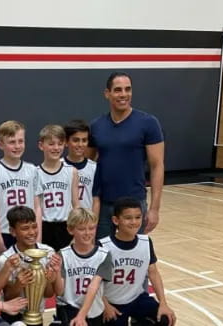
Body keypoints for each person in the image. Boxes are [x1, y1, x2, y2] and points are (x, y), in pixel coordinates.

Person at [89, 72, 164, 239]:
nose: (123, 94)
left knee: (133, 258)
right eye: (117, 90)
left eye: (127, 89)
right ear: (107, 94)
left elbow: (157, 166)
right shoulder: (96, 126)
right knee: (102, 258)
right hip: (103, 205)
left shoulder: (148, 123)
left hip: (134, 205)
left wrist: (154, 209)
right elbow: (86, 164)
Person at [100, 197, 176, 326]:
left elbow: (153, 273)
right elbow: (94, 283)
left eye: (138, 217)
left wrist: (163, 303)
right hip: (113, 303)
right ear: (116, 220)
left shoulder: (145, 242)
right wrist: (105, 305)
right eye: (128, 218)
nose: (134, 222)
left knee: (165, 318)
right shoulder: (104, 246)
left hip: (137, 299)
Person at [0, 120, 41, 258]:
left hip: (29, 232)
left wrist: (38, 238)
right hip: (6, 232)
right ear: (1, 145)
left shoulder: (32, 170)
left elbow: (37, 207)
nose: (17, 146)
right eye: (12, 142)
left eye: (20, 141)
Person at [0, 206, 61, 325]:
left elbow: (48, 294)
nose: (32, 232)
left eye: (34, 226)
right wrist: (18, 284)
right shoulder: (6, 259)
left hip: (37, 315)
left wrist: (48, 279)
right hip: (13, 315)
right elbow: (7, 298)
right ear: (12, 231)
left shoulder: (48, 253)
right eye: (25, 228)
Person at [53, 208, 112, 326]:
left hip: (93, 311)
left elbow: (93, 287)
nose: (87, 233)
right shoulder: (63, 254)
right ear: (70, 230)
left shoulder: (103, 255)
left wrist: (81, 315)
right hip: (68, 309)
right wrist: (56, 273)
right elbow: (59, 291)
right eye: (81, 229)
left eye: (91, 228)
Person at [37, 124, 79, 251]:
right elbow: (36, 207)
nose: (56, 148)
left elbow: (76, 205)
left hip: (65, 226)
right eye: (51, 144)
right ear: (41, 146)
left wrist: (76, 234)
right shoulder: (35, 173)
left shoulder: (71, 171)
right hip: (44, 226)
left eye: (60, 144)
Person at [63, 120, 97, 213]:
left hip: (86, 222)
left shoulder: (95, 168)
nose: (80, 145)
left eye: (84, 140)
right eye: (75, 140)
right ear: (66, 142)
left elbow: (96, 200)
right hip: (63, 221)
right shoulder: (58, 166)